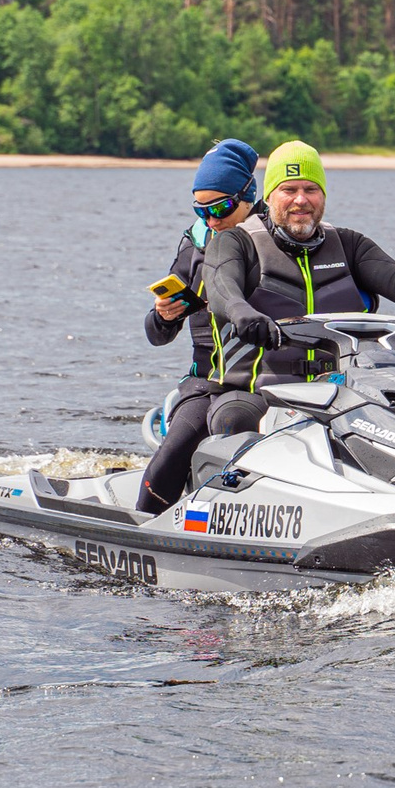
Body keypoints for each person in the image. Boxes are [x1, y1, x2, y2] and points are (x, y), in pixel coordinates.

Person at [198, 141, 395, 440]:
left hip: (341, 394)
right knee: (233, 418)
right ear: (269, 197)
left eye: (311, 189)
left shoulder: (349, 245)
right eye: (289, 190)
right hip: (255, 393)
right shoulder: (234, 243)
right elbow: (221, 286)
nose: (300, 200)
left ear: (323, 196)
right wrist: (241, 312)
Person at [135, 138, 260, 514]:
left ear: (249, 197)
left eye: (221, 207)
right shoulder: (195, 245)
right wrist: (164, 315)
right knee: (169, 456)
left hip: (270, 380)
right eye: (201, 210)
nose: (212, 220)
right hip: (208, 382)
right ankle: (142, 529)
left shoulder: (275, 241)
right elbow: (156, 335)